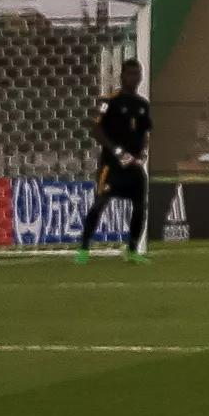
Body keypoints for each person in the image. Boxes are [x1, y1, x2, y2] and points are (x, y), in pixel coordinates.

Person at [73, 58, 151, 265]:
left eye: (137, 74)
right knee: (99, 204)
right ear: (122, 76)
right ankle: (83, 249)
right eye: (130, 74)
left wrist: (142, 153)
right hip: (112, 166)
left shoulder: (143, 105)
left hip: (133, 166)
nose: (134, 78)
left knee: (141, 206)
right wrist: (117, 151)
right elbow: (95, 129)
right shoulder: (109, 101)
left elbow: (144, 132)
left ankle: (132, 250)